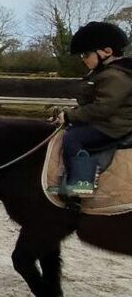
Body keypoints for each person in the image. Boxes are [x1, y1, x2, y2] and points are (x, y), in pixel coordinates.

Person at [50, 21, 132, 197]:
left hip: (112, 126)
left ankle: (82, 182)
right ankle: (66, 177)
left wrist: (71, 116)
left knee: (72, 138)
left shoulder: (115, 76)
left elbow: (102, 108)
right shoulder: (105, 73)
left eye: (86, 54)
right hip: (108, 121)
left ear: (107, 52)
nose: (83, 59)